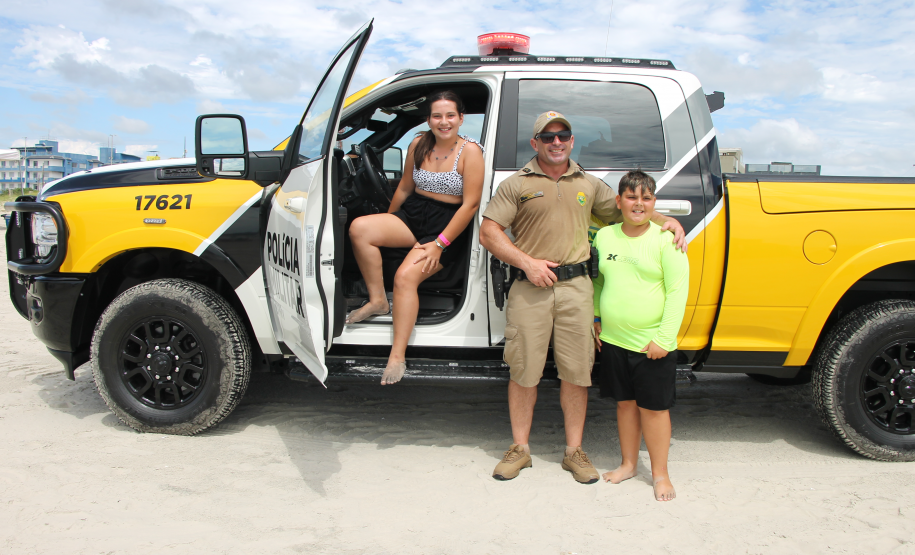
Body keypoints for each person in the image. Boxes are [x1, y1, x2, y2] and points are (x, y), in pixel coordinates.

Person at [480, 111, 687, 483]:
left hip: (577, 289)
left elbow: (629, 209)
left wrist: (667, 221)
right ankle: (520, 449)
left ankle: (574, 451)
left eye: (563, 135)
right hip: (530, 286)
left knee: (576, 373)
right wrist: (527, 263)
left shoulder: (589, 184)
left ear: (572, 140)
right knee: (523, 369)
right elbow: (489, 232)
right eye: (548, 137)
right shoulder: (516, 184)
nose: (556, 142)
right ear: (535, 143)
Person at [347, 91, 484, 385]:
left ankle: (397, 356)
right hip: (414, 213)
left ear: (461, 119)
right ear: (428, 119)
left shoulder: (470, 151)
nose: (444, 122)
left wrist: (439, 244)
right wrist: (390, 220)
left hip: (447, 225)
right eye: (437, 116)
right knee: (360, 228)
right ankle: (378, 301)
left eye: (450, 115)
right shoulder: (418, 144)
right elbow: (405, 187)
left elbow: (470, 205)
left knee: (404, 277)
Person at [592, 169, 689, 501]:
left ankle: (661, 475)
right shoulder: (605, 237)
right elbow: (599, 282)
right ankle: (628, 464)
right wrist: (597, 317)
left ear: (654, 203)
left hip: (652, 345)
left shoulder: (667, 240)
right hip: (613, 341)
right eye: (631, 197)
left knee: (654, 410)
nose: (638, 204)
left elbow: (677, 293)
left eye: (646, 198)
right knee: (625, 406)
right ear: (618, 201)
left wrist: (664, 338)